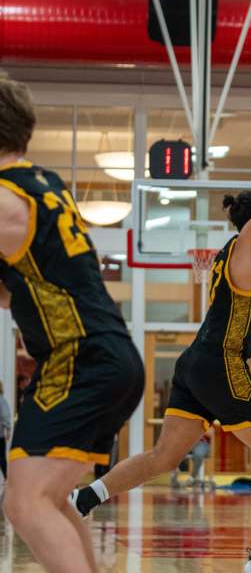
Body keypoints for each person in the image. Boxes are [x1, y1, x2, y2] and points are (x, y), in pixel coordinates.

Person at [70, 99, 251, 573]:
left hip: (195, 363)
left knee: (163, 457)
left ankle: (85, 495)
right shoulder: (247, 251)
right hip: (222, 362)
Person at [0, 72, 145, 573]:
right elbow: (12, 288)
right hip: (105, 354)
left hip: (80, 357)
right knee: (49, 495)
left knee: (25, 500)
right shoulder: (45, 186)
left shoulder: (3, 199)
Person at [0, 382, 11, 481]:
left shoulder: (1, 400)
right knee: (2, 457)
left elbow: (5, 417)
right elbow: (5, 416)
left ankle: (7, 477)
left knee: (1, 458)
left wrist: (7, 429)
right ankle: (7, 477)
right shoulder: (2, 400)